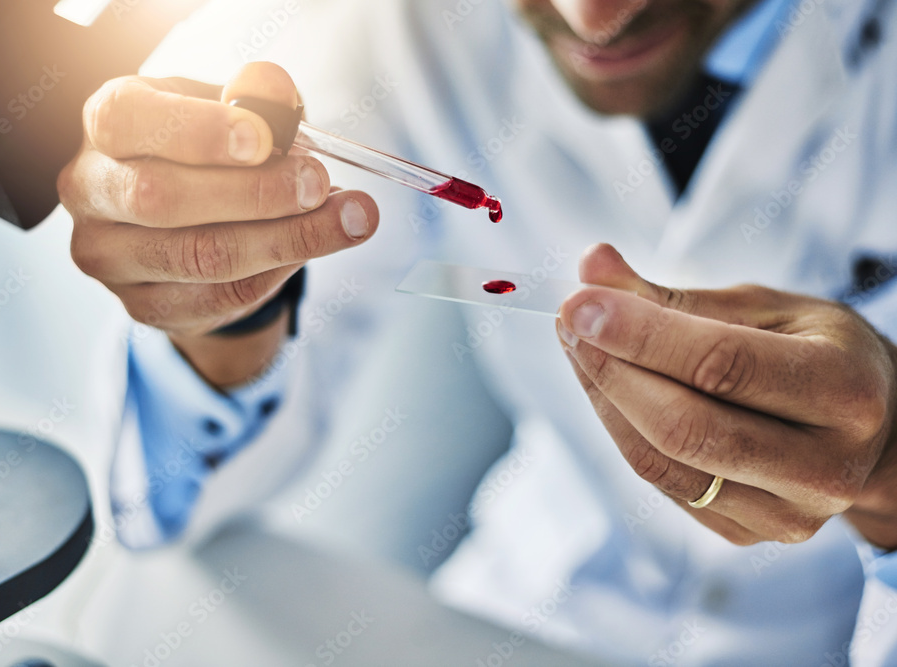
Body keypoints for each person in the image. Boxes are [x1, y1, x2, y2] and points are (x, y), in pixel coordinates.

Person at [53, 0, 897, 663]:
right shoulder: (406, 31)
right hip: (524, 613)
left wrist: (890, 480)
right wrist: (228, 305)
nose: (589, 19)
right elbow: (169, 509)